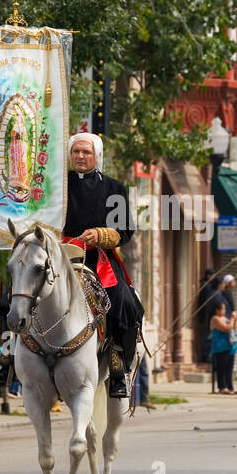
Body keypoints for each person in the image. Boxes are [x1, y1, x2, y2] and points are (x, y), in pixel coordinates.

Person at [60, 131, 144, 398]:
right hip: (60, 254)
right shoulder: (56, 185)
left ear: (97, 156)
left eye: (86, 152)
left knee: (125, 301)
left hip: (98, 258)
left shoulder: (114, 188)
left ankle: (118, 361)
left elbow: (126, 230)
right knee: (19, 288)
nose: (81, 156)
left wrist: (101, 235)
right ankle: (9, 352)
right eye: (76, 152)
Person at [210, 301, 237, 395]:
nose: (225, 310)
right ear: (217, 310)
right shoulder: (215, 319)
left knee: (229, 368)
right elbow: (227, 328)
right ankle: (222, 386)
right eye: (223, 309)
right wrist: (232, 318)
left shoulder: (225, 318)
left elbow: (233, 328)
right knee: (222, 368)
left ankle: (230, 387)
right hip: (221, 347)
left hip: (229, 347)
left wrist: (235, 319)